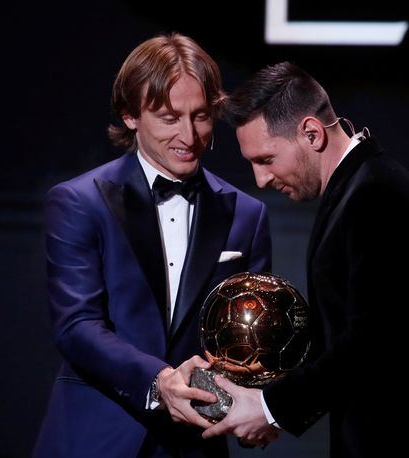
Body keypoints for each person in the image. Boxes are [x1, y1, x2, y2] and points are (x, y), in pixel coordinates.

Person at [201, 62, 409, 457]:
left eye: (266, 159)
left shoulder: (378, 197)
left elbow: (374, 341)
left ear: (311, 133)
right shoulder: (359, 190)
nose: (261, 180)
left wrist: (271, 408)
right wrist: (271, 404)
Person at [33, 33, 272, 458]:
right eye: (168, 117)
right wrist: (159, 380)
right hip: (95, 438)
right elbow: (76, 326)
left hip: (193, 445)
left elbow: (249, 341)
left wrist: (260, 404)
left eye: (200, 116)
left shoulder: (247, 215)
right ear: (129, 116)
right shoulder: (78, 201)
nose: (189, 135)